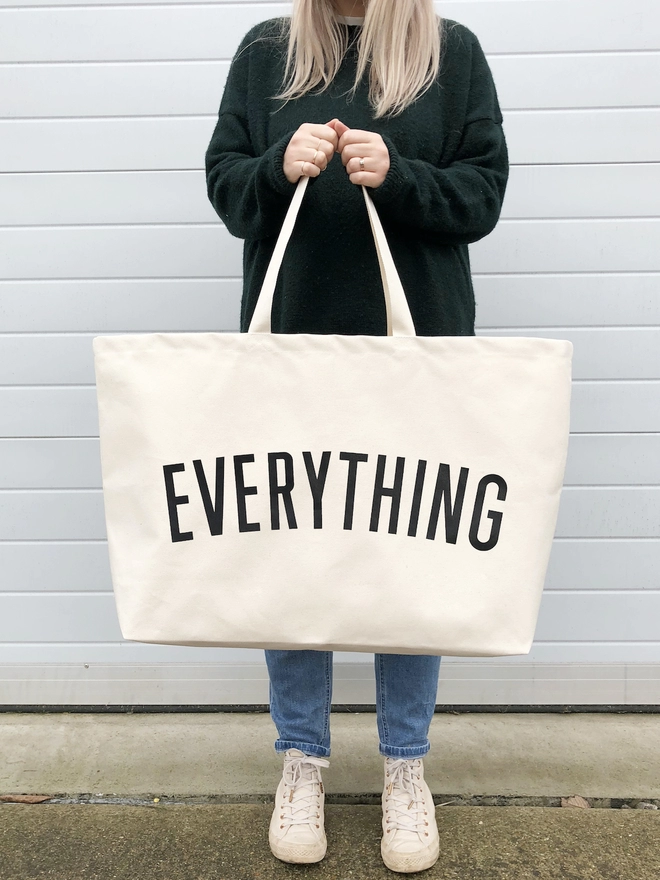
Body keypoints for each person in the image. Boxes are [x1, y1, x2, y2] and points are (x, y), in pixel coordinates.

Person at [205, 0, 508, 872]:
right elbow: (228, 188)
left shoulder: (452, 50)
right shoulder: (268, 51)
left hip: (419, 359)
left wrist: (401, 173)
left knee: (410, 554)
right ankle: (301, 759)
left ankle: (404, 768)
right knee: (292, 551)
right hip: (294, 351)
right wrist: (275, 167)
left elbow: (483, 195)